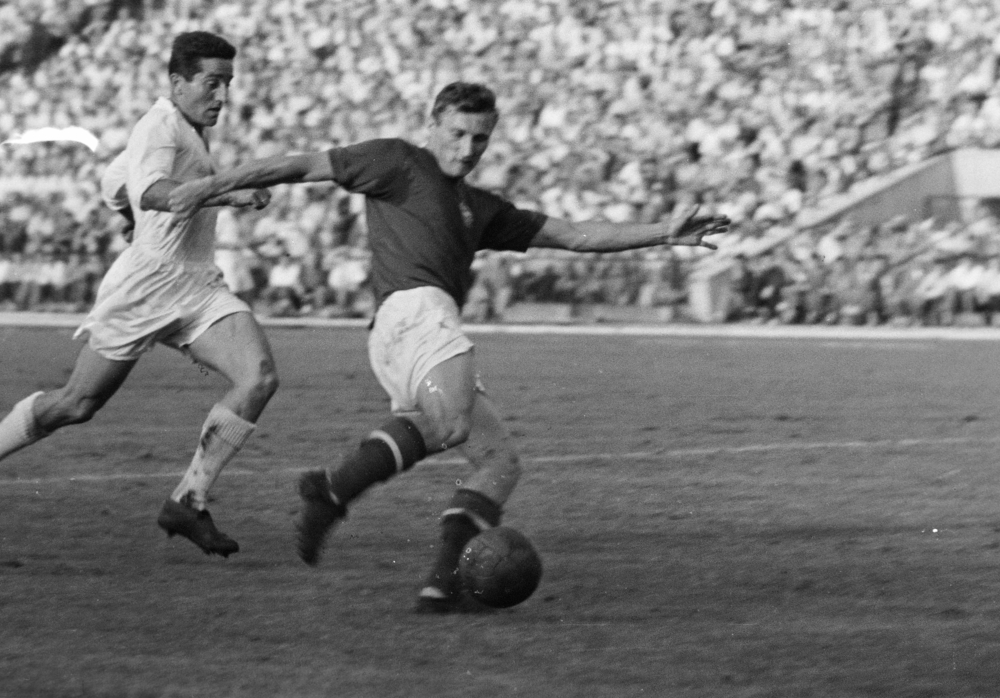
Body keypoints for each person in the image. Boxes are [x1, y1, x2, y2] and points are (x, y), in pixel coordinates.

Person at [167, 81, 731, 610]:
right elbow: (300, 164)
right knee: (451, 425)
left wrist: (664, 233)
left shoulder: (481, 208)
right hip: (416, 311)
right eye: (457, 133)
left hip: (414, 328)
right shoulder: (397, 161)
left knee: (498, 462)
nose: (467, 148)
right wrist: (211, 186)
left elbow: (575, 235)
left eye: (480, 138)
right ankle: (331, 491)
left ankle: (442, 589)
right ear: (432, 125)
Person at [0, 31, 278, 557]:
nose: (222, 96)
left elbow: (116, 187)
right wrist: (226, 190)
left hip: (197, 285)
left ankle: (189, 500)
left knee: (259, 377)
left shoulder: (184, 128)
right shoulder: (160, 128)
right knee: (76, 404)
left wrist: (138, 216)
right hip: (146, 288)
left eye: (227, 83)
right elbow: (152, 192)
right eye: (212, 83)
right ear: (177, 82)